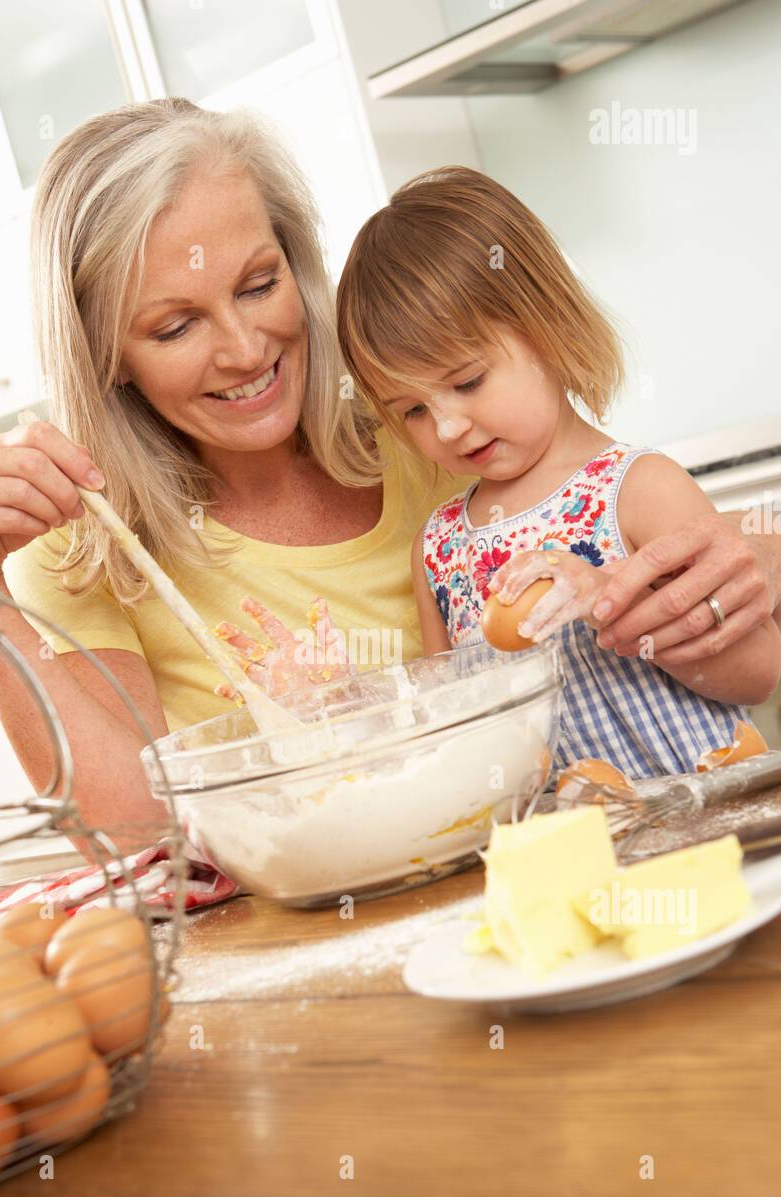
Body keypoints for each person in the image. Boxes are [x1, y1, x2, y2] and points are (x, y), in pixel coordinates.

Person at [0, 103, 781, 835]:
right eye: (175, 327)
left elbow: (620, 515)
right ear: (107, 355)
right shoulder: (81, 541)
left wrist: (741, 553)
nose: (244, 349)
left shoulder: (426, 432)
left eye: (260, 284)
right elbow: (133, 832)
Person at [335, 167, 781, 777]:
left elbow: (759, 674)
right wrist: (358, 703)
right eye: (412, 410)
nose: (447, 429)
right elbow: (453, 734)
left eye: (467, 382)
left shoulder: (639, 489)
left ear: (546, 327)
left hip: (712, 827)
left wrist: (611, 602)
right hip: (564, 855)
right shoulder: (436, 550)